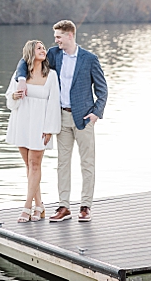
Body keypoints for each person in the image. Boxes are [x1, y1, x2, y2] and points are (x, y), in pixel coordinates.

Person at [44, 20, 108, 223]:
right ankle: (64, 206)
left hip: (84, 118)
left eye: (59, 37)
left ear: (70, 35)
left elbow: (102, 90)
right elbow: (28, 63)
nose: (56, 40)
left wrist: (96, 113)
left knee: (87, 163)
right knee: (62, 163)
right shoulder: (54, 55)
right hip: (61, 117)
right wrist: (20, 79)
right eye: (55, 37)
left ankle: (85, 206)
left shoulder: (89, 59)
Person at [5, 39, 62, 223]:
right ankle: (40, 206)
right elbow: (10, 99)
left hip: (40, 125)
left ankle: (27, 207)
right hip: (21, 122)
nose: (43, 50)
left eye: (44, 48)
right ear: (31, 52)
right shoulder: (20, 74)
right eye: (39, 48)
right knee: (29, 167)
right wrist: (14, 96)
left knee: (35, 165)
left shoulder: (51, 75)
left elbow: (54, 104)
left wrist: (50, 129)